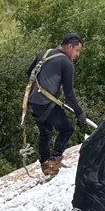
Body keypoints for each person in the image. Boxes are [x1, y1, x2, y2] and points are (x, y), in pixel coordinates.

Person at [25, 34, 89, 179]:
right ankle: (54, 161)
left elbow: (29, 73)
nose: (77, 55)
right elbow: (69, 94)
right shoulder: (66, 63)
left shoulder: (45, 53)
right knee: (67, 129)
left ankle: (46, 166)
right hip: (46, 104)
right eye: (77, 50)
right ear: (69, 46)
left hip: (32, 102)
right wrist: (79, 113)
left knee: (45, 132)